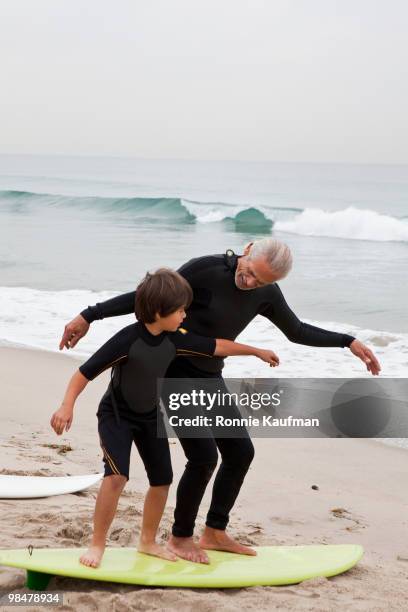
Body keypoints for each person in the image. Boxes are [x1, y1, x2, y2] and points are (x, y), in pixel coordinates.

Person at [59, 238, 381, 564]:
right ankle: (180, 537)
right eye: (251, 272)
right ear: (247, 249)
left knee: (240, 452)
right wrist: (90, 315)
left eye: (262, 281)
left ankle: (213, 532)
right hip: (171, 373)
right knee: (203, 457)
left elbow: (295, 330)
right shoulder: (205, 271)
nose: (251, 283)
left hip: (209, 374)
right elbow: (150, 299)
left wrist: (347, 342)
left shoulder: (265, 292)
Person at [51, 268, 280, 569]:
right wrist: (66, 407)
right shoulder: (127, 340)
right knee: (116, 476)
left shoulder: (176, 337)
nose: (186, 314)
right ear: (160, 311)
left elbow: (216, 347)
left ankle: (147, 542)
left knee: (162, 480)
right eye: (181, 309)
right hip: (117, 416)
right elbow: (84, 373)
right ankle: (97, 545)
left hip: (148, 417)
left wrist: (255, 351)